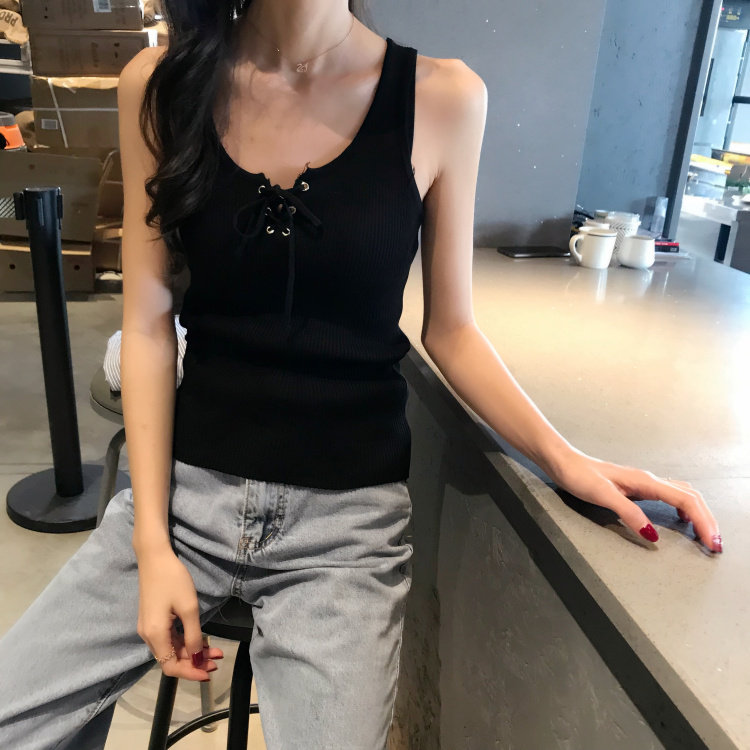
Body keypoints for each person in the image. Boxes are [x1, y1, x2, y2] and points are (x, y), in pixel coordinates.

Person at [0, 1, 722, 748]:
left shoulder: (444, 96)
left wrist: (566, 460)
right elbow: (150, 326)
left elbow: (451, 329)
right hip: (185, 498)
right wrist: (153, 544)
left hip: (343, 534)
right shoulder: (162, 83)